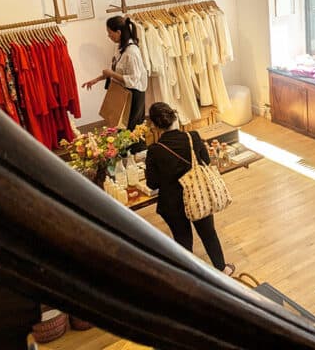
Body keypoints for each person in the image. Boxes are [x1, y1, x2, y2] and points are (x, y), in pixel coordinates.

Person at [144, 102, 235, 276]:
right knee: (208, 233)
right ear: (174, 117)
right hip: (199, 195)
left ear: (154, 126)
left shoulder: (155, 150)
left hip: (172, 203)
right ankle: (222, 268)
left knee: (182, 239)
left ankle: (189, 275)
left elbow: (152, 184)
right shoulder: (192, 137)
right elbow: (206, 162)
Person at [82, 16, 148, 133]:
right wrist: (96, 80)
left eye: (110, 33)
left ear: (118, 32)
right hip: (124, 92)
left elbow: (133, 79)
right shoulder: (121, 48)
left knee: (132, 131)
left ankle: (137, 151)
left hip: (134, 95)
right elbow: (116, 70)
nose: (109, 36)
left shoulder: (131, 52)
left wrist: (111, 74)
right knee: (121, 127)